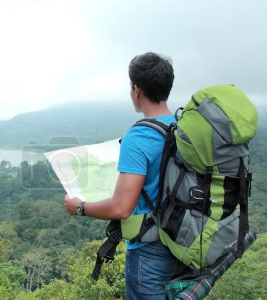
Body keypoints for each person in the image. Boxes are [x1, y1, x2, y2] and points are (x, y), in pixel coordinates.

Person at [64, 52, 187, 299]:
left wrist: (80, 207)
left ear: (136, 89)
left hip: (150, 254)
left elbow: (121, 208)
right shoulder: (183, 128)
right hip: (184, 244)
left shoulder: (139, 137)